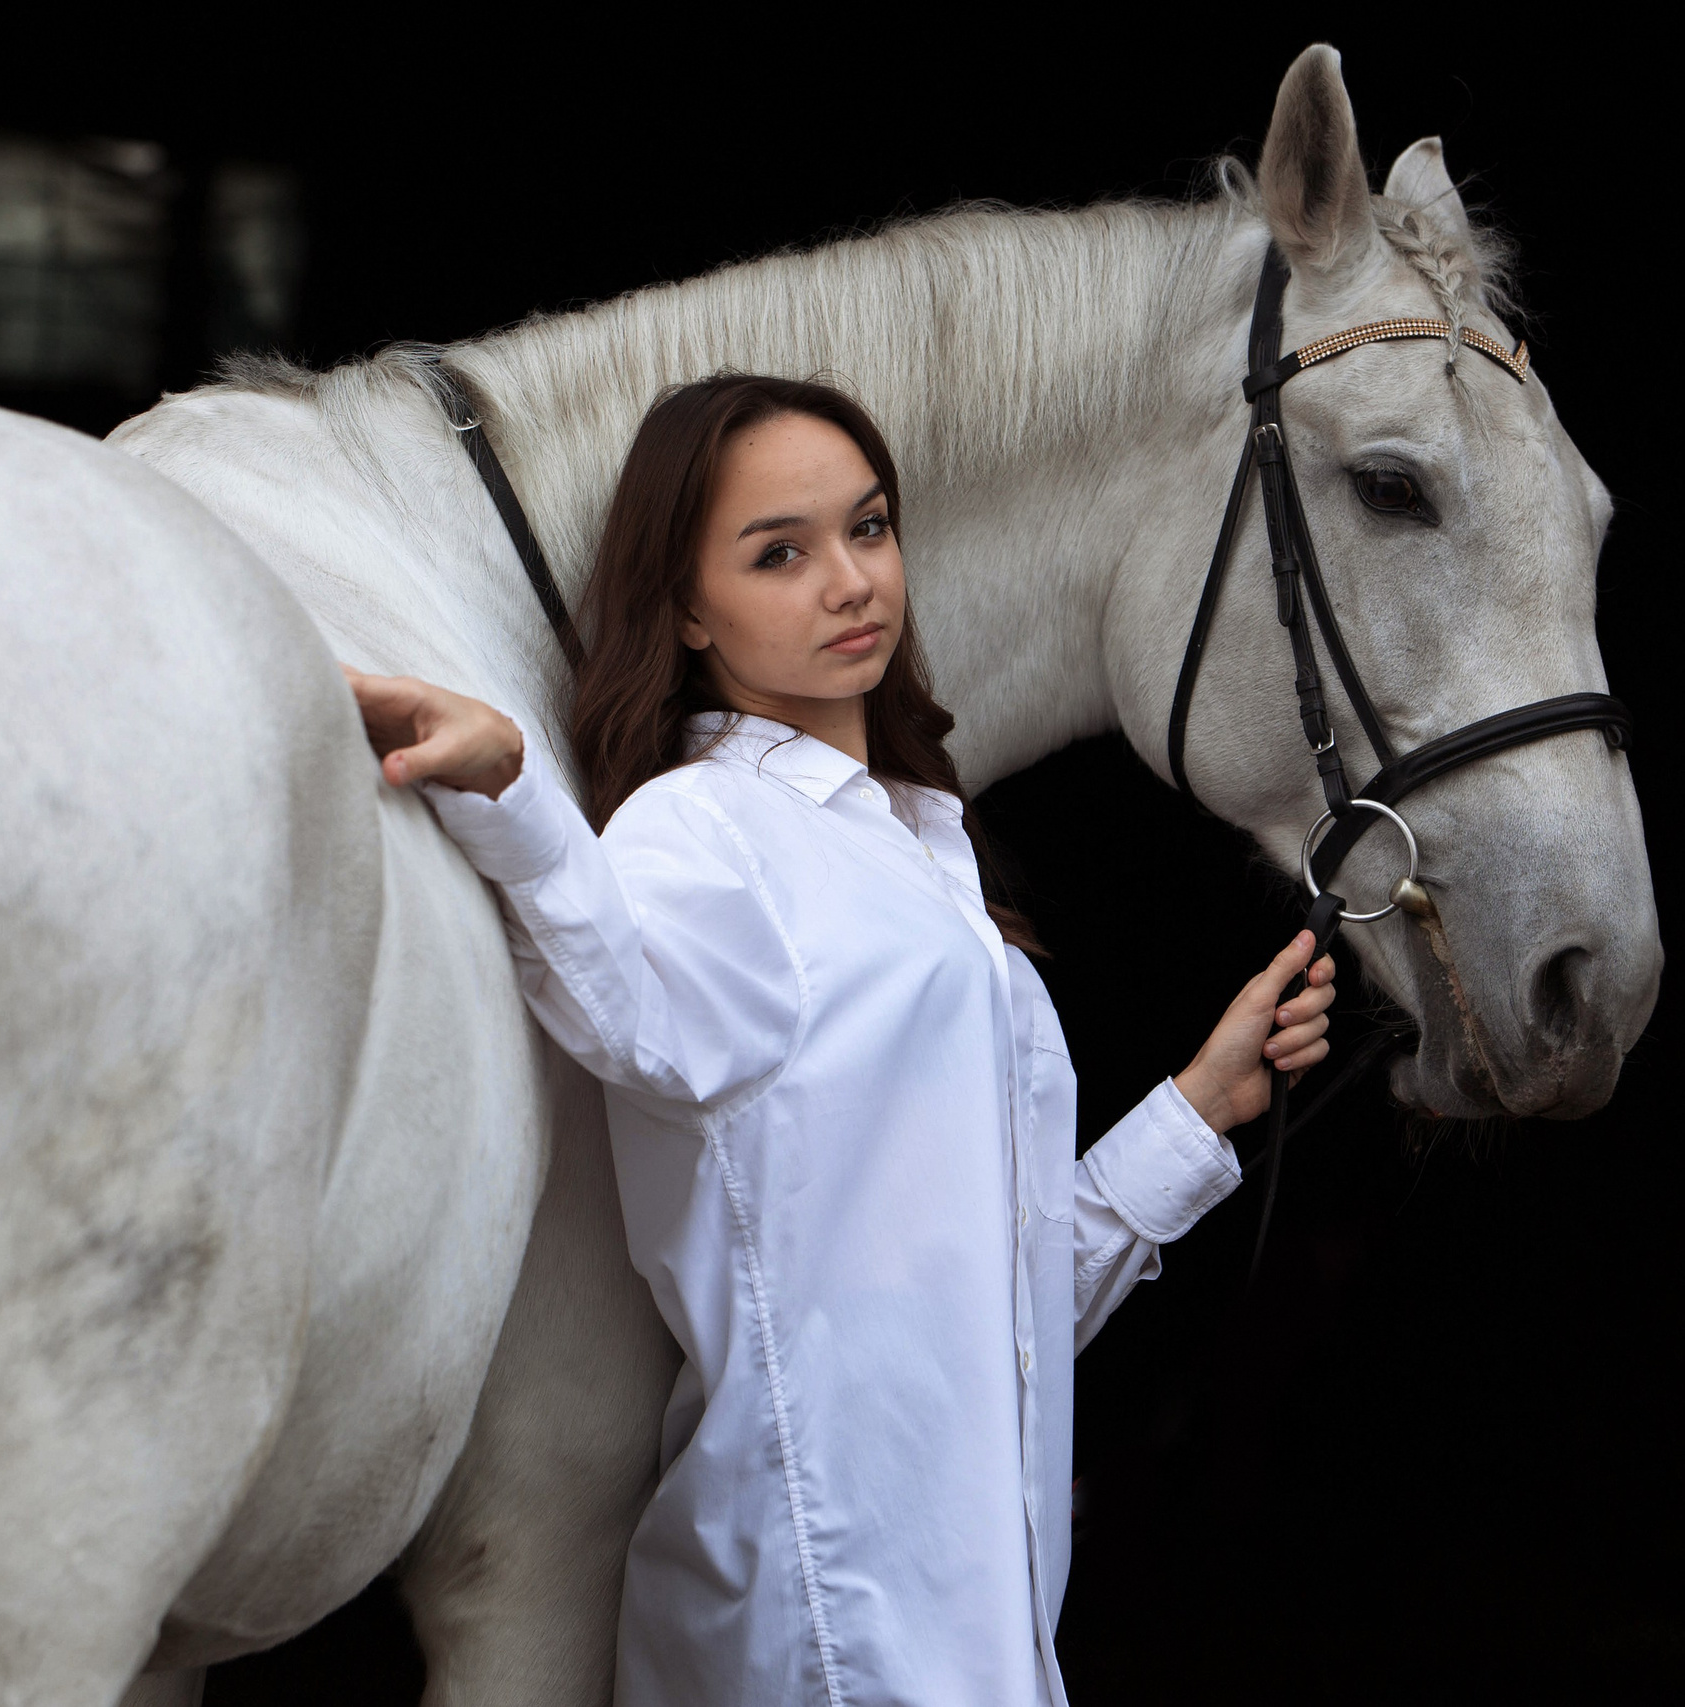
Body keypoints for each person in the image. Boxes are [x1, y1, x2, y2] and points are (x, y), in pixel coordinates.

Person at [346, 374, 1335, 1707]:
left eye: (868, 529)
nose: (850, 580)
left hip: (975, 1612)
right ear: (687, 608)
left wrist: (1196, 1111)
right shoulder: (704, 826)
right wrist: (510, 790)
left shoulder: (923, 851)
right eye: (780, 552)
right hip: (823, 1604)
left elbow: (998, 1308)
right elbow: (630, 1013)